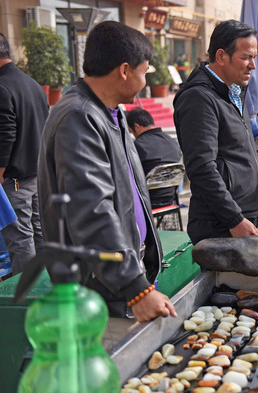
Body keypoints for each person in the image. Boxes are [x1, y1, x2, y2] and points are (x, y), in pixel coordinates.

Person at [38, 21, 176, 322]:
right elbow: (91, 210)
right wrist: (134, 287)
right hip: (100, 289)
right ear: (125, 71)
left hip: (118, 277)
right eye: (144, 72)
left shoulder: (110, 112)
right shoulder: (79, 116)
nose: (145, 81)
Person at [173, 20, 258, 244]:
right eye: (246, 57)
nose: (252, 66)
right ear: (221, 56)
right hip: (220, 225)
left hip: (242, 215)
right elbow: (201, 167)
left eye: (254, 58)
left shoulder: (234, 90)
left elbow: (235, 147)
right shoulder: (199, 98)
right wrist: (234, 219)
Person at [0, 32, 48, 274]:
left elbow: (6, 133)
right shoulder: (33, 84)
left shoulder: (2, 86)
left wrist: (0, 171)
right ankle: (43, 291)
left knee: (20, 239)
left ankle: (25, 298)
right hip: (37, 175)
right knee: (39, 234)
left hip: (15, 179)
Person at [125, 108, 182, 208]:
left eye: (131, 132)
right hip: (170, 199)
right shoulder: (172, 141)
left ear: (137, 127)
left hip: (146, 201)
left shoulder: (138, 145)